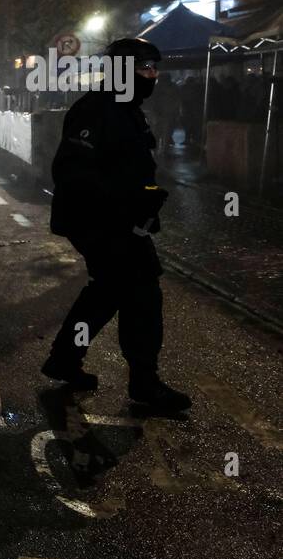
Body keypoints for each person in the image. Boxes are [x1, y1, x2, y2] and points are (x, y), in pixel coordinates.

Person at [42, 37, 191, 412]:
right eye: (144, 68)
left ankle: (63, 359)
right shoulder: (97, 109)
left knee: (106, 291)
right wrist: (128, 199)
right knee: (141, 293)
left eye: (155, 68)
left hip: (121, 221)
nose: (152, 75)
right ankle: (144, 382)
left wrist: (145, 196)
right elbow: (73, 172)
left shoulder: (127, 109)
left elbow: (129, 165)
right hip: (99, 222)